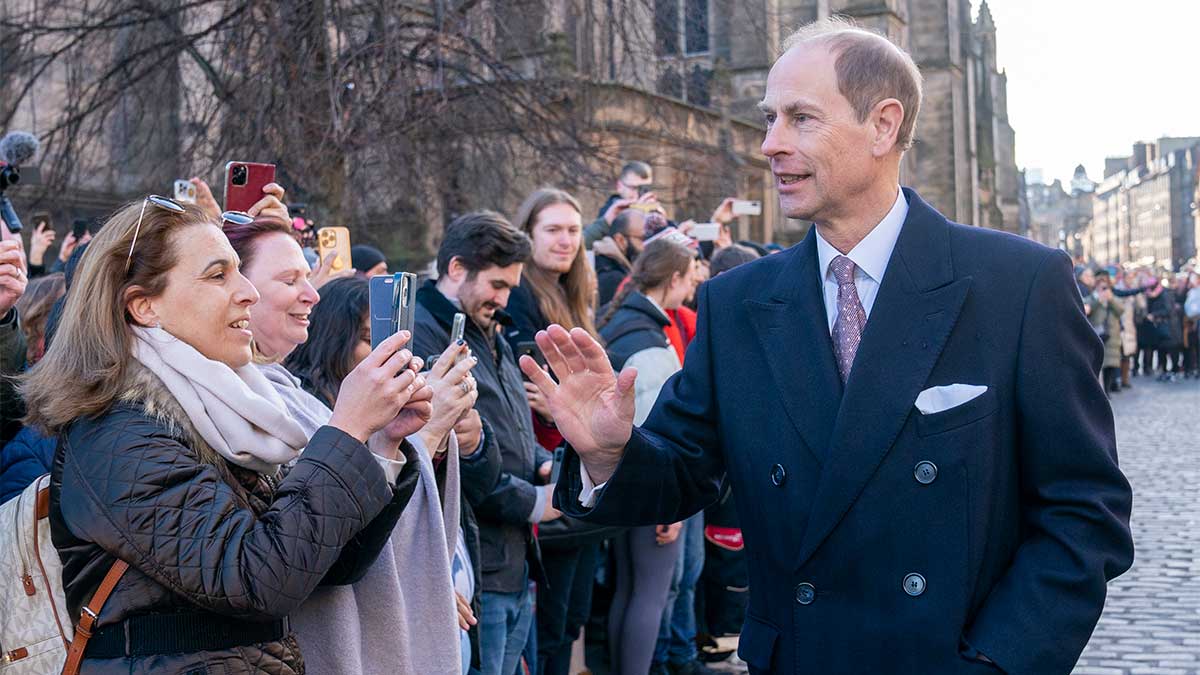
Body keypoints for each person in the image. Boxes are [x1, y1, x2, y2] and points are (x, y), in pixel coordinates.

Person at [525, 18, 1133, 675]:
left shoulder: (1017, 284)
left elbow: (1084, 514)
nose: (769, 144)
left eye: (800, 119)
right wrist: (612, 451)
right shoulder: (738, 304)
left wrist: (997, 661)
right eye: (768, 119)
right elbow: (682, 472)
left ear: (884, 125)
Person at [20, 197, 425, 672]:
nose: (249, 292)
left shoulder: (221, 414)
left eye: (240, 271)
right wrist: (347, 427)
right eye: (219, 275)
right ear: (144, 305)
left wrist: (378, 444)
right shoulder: (119, 434)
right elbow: (260, 578)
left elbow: (324, 564)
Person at [223, 206, 492, 675]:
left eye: (309, 278)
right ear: (239, 292)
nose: (311, 294)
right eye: (290, 281)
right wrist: (421, 434)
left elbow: (355, 534)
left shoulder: (288, 393)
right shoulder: (230, 405)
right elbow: (290, 551)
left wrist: (401, 439)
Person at [412, 211, 559, 675]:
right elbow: (450, 457)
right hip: (473, 560)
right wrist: (535, 502)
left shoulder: (490, 329)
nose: (504, 299)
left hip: (512, 559)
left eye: (510, 287)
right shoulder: (423, 335)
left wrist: (542, 464)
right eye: (496, 285)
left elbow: (515, 424)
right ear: (457, 269)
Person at [506, 188, 614, 675]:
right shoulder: (518, 298)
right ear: (528, 234)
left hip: (577, 465)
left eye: (573, 230)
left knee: (571, 616)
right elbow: (529, 393)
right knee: (548, 627)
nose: (566, 240)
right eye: (552, 229)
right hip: (543, 469)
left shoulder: (574, 296)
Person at [594, 237, 696, 675]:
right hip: (647, 487)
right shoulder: (651, 344)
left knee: (629, 589)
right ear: (672, 279)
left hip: (616, 480)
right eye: (689, 279)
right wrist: (669, 500)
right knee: (649, 593)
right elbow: (658, 430)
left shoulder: (620, 323)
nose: (692, 288)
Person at [585, 161, 658, 247]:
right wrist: (636, 214)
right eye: (634, 188)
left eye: (645, 189)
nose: (639, 194)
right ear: (619, 186)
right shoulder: (610, 213)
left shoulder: (653, 212)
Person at [595, 209, 647, 307]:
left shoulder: (617, 266)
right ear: (620, 240)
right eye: (642, 239)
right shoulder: (612, 278)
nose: (647, 245)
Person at [1086, 276, 1124, 395]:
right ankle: (1099, 391)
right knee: (1098, 364)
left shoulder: (1113, 299)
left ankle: (1107, 390)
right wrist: (1098, 300)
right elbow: (1087, 310)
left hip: (1112, 335)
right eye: (1100, 286)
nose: (1103, 289)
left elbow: (1121, 310)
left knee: (1111, 364)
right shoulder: (1092, 298)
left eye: (1105, 286)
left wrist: (1111, 299)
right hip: (1097, 334)